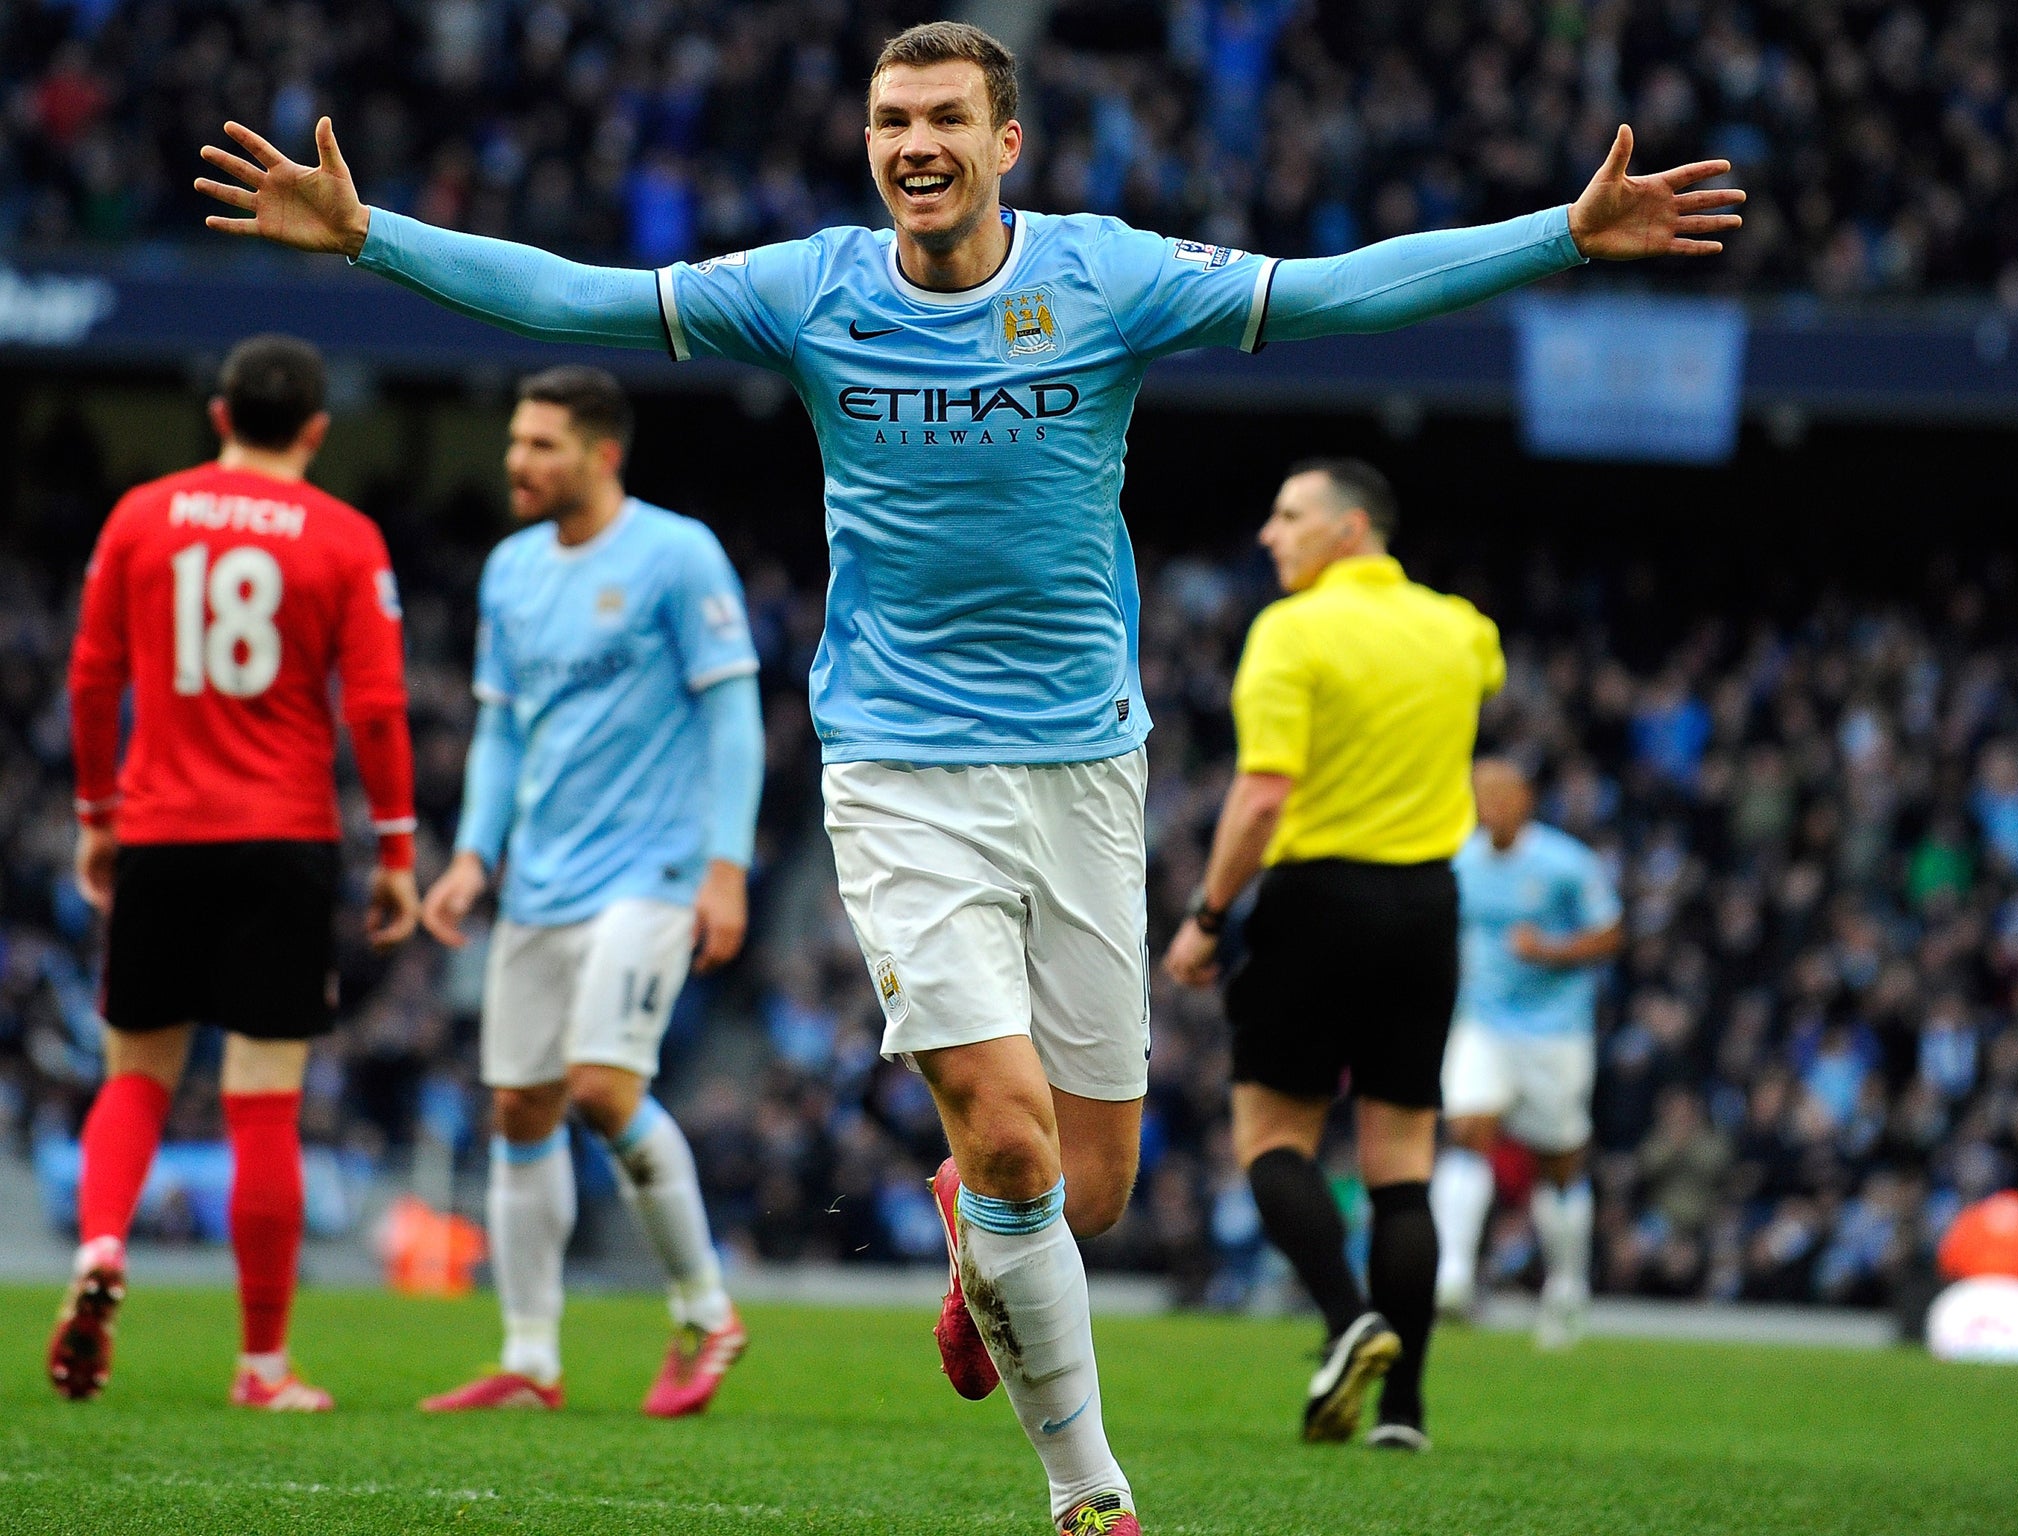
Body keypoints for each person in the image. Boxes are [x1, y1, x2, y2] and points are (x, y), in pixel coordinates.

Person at [194, 20, 1741, 1529]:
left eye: (944, 121)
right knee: (1005, 1132)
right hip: (895, 763)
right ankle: (1090, 1495)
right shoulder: (810, 290)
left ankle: (978, 1243)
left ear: (1007, 145)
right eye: (891, 123)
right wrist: (371, 236)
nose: (915, 146)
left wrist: (1559, 235)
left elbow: (1336, 294)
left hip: (1082, 768)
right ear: (869, 145)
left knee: (1095, 1191)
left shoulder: (1106, 275)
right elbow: (580, 301)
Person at [52, 334, 420, 1410]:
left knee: (134, 1076)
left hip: (161, 830)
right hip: (283, 840)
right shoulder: (344, 538)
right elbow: (379, 708)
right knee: (264, 1104)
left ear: (218, 417)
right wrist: (395, 851)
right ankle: (261, 1365)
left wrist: (94, 816)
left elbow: (88, 676)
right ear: (315, 428)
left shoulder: (141, 515)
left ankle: (104, 1243)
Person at [414, 367, 764, 1417]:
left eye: (541, 446)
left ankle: (707, 1314)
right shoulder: (511, 571)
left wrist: (725, 866)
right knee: (520, 1106)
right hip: (540, 880)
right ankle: (530, 1358)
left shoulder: (675, 553)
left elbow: (732, 716)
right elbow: (503, 730)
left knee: (603, 1089)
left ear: (601, 454)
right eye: (515, 442)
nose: (517, 462)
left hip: (651, 870)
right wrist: (474, 854)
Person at [1164, 460, 1502, 1451]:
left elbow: (1263, 793)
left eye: (1288, 516)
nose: (1270, 534)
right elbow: (1488, 675)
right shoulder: (1459, 628)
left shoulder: (1292, 630)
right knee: (1401, 1164)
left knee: (1272, 1140)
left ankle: (1345, 1317)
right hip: (1425, 907)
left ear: (1350, 528)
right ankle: (1404, 1413)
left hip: (1315, 901)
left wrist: (1206, 913)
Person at [1433, 758, 1623, 1348]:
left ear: (1525, 799)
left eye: (1497, 793)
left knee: (1559, 1163)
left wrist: (1551, 952)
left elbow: (1611, 933)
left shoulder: (1567, 865)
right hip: (1482, 1024)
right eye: (1477, 794)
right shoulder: (1461, 860)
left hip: (1555, 1033)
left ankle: (1566, 1284)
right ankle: (1454, 1273)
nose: (1486, 804)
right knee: (1467, 1128)